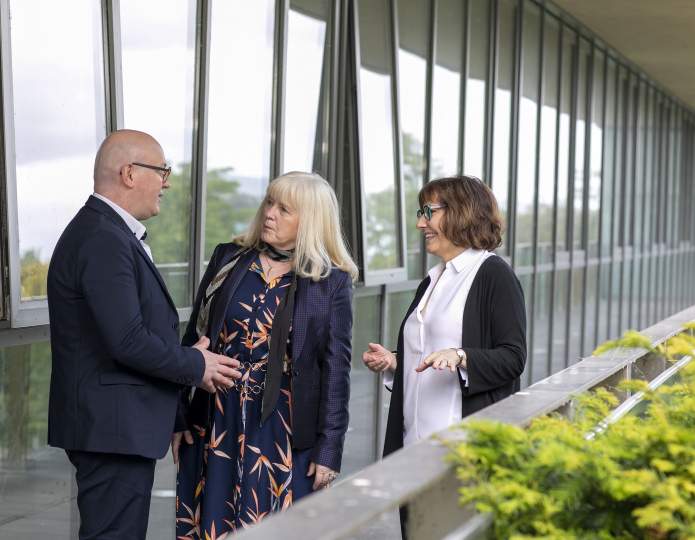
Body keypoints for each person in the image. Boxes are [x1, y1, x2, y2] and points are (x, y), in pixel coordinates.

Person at [47, 129, 241, 540]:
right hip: (111, 431)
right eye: (162, 171)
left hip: (118, 427)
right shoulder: (103, 238)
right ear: (129, 173)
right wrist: (196, 364)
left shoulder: (108, 233)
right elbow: (128, 341)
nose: (167, 182)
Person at [174, 171, 358, 539]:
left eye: (284, 208)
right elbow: (192, 339)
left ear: (310, 220)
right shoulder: (228, 259)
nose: (270, 213)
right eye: (269, 202)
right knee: (213, 522)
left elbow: (336, 371)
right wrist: (178, 414)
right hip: (215, 417)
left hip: (284, 425)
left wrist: (330, 447)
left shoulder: (331, 281)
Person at [361, 174, 526, 533]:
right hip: (413, 450)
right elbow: (427, 354)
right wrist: (394, 361)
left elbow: (513, 358)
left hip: (460, 454)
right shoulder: (433, 279)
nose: (420, 223)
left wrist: (461, 355)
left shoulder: (493, 275)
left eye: (427, 212)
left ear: (462, 213)